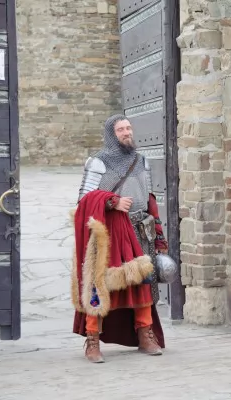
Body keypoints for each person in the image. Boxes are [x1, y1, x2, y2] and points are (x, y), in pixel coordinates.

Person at [71, 114, 168, 363]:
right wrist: (111, 201)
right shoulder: (98, 163)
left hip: (138, 229)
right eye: (121, 129)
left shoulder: (141, 161)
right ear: (111, 135)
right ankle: (92, 338)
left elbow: (149, 200)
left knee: (142, 284)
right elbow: (84, 201)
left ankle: (145, 333)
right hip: (109, 233)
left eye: (128, 128)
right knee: (98, 284)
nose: (127, 133)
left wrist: (158, 235)